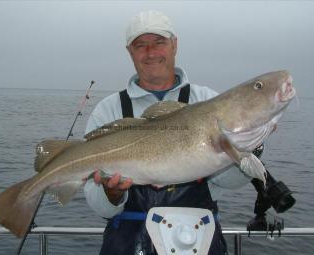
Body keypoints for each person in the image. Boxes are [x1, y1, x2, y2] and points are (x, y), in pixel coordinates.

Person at [84, 10, 294, 255]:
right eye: (141, 45)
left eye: (159, 42)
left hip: (198, 239)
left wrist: (250, 146)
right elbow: (100, 208)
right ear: (130, 52)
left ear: (175, 45)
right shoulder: (108, 110)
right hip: (128, 244)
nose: (151, 52)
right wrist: (111, 193)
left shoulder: (206, 99)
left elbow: (226, 182)